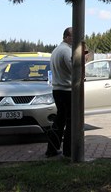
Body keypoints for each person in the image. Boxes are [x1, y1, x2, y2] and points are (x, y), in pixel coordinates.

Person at [45, 27, 73, 158]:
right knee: (71, 121)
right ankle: (68, 151)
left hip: (57, 89)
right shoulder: (66, 51)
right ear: (67, 37)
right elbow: (74, 70)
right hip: (67, 90)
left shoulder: (56, 50)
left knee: (59, 121)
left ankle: (52, 149)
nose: (76, 39)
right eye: (74, 36)